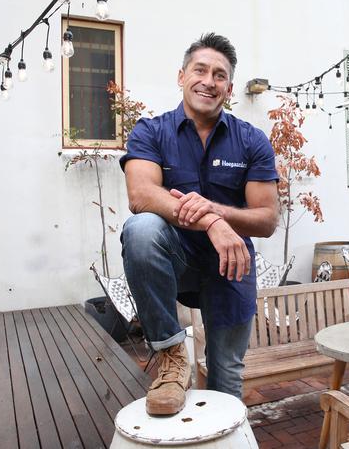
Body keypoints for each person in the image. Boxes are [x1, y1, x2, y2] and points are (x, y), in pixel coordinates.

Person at [119, 33, 279, 416]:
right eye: (200, 70)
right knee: (140, 230)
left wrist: (220, 213)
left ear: (229, 87)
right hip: (176, 258)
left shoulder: (251, 140)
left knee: (226, 374)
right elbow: (141, 194)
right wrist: (211, 220)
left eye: (219, 75)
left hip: (230, 267)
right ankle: (172, 358)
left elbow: (267, 218)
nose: (209, 80)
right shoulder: (151, 132)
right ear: (181, 76)